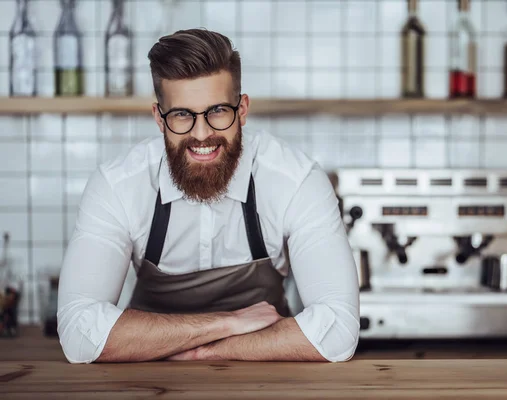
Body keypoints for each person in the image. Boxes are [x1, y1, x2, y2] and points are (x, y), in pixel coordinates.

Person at [57, 28, 360, 364]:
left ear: (242, 109)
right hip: (144, 384)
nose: (201, 134)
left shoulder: (296, 181)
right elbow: (79, 333)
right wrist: (226, 323)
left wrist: (203, 351)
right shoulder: (118, 185)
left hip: (265, 383)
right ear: (159, 118)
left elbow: (338, 331)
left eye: (217, 110)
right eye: (182, 115)